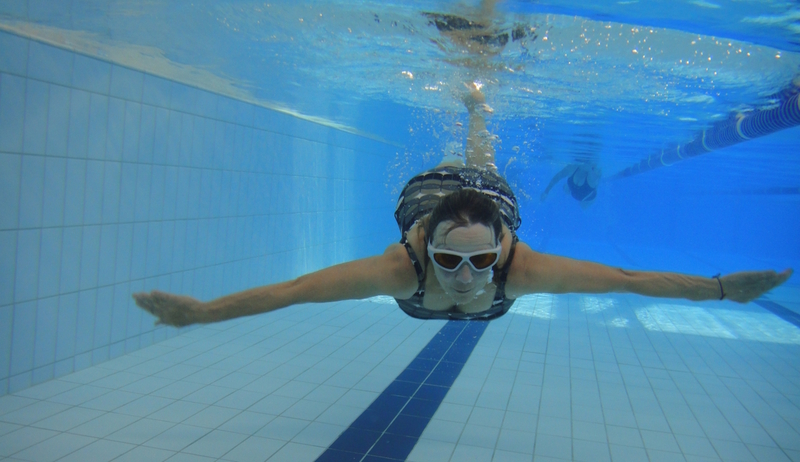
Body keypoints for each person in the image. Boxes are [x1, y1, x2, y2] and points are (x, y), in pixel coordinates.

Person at [133, 85, 793, 326]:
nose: (466, 277)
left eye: (481, 262)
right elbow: (296, 291)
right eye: (449, 260)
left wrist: (720, 291)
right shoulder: (401, 268)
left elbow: (626, 280)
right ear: (426, 247)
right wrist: (204, 314)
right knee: (476, 164)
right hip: (429, 198)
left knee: (483, 163)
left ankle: (477, 111)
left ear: (504, 248)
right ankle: (474, 112)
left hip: (480, 199)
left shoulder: (521, 268)